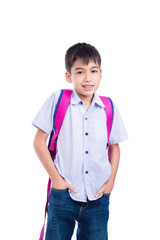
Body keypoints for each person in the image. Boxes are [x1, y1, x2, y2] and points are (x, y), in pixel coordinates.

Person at [32, 42, 128, 240]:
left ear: (101, 74)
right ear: (69, 76)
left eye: (93, 71)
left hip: (98, 197)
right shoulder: (58, 100)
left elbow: (115, 148)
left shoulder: (108, 107)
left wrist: (111, 183)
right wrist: (57, 180)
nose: (87, 78)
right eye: (80, 72)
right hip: (63, 195)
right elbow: (39, 142)